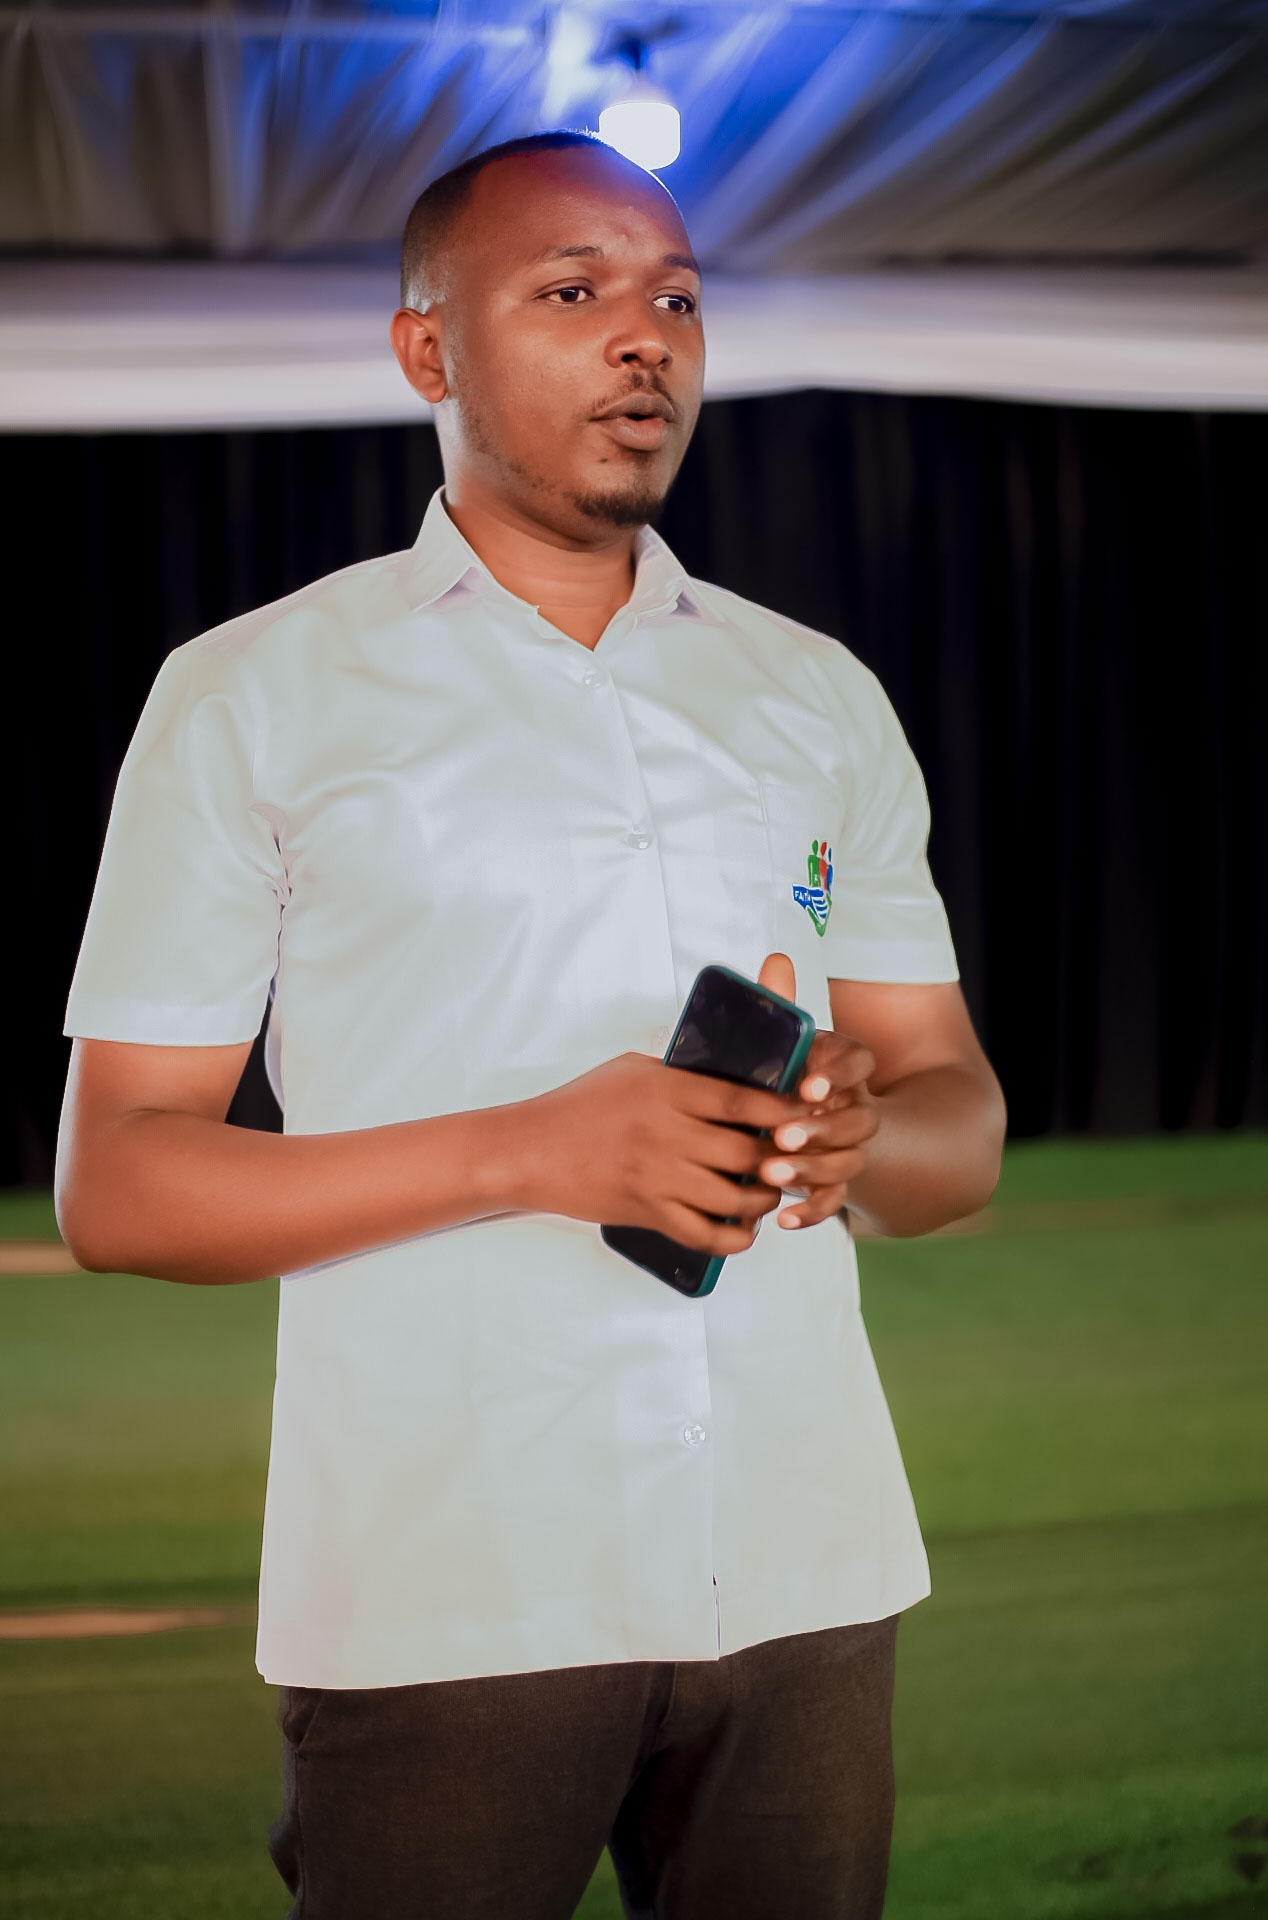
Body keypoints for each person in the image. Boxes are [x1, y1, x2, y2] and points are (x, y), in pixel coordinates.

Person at [56, 131, 1006, 1920]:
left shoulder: (814, 694)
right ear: (427, 350)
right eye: (573, 292)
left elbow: (957, 1128)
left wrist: (864, 1139)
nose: (646, 339)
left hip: (807, 1568)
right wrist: (533, 1152)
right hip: (449, 1590)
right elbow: (120, 1186)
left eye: (678, 302)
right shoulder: (254, 694)